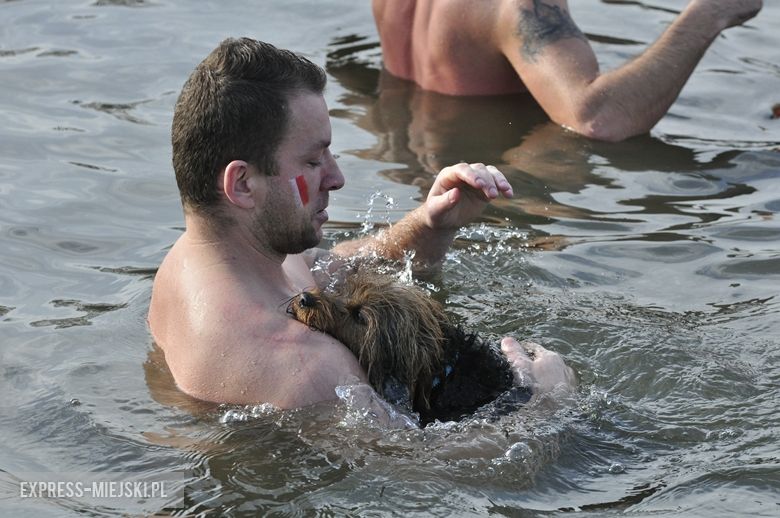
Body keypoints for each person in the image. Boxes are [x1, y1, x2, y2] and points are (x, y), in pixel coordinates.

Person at [148, 38, 574, 416]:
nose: (336, 178)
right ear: (242, 183)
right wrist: (544, 400)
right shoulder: (309, 369)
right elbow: (425, 470)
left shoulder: (193, 262)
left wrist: (429, 225)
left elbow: (325, 267)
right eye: (313, 161)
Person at [372, 0, 763, 142]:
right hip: (500, 201)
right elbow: (597, 118)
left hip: (416, 184)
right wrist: (711, 12)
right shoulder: (521, 5)